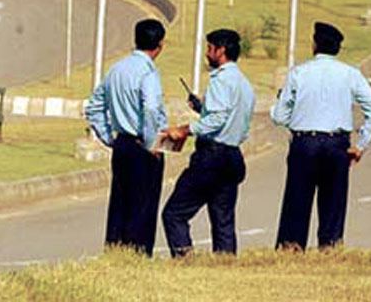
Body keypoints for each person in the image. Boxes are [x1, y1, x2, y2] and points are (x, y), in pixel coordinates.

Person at [271, 21, 371, 250]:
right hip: (336, 143)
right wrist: (361, 144)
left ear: (315, 45)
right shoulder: (350, 74)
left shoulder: (299, 73)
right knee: (333, 202)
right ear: (338, 49)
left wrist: (288, 109)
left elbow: (279, 116)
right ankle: (330, 247)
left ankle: (291, 247)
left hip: (305, 142)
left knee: (297, 200)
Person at [161, 29, 255, 257]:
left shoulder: (221, 80)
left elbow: (218, 119)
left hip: (212, 157)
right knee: (223, 220)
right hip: (232, 154)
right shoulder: (245, 84)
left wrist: (184, 130)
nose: (207, 54)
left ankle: (185, 259)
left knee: (174, 213)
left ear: (221, 51)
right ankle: (225, 264)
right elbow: (233, 120)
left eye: (210, 48)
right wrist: (201, 109)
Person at [84, 18, 168, 256]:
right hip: (143, 145)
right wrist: (153, 142)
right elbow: (151, 109)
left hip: (122, 144)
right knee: (143, 207)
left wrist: (109, 137)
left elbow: (94, 107)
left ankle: (116, 252)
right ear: (159, 45)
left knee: (120, 203)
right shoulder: (148, 73)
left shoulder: (116, 69)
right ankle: (137, 256)